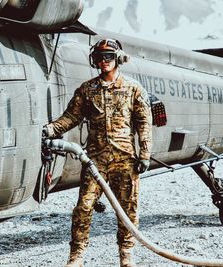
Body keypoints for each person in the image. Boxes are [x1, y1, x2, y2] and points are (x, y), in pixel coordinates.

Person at [43, 38, 152, 267]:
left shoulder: (133, 89)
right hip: (95, 160)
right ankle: (77, 256)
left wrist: (144, 154)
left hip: (124, 158)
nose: (104, 62)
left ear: (118, 58)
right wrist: (51, 129)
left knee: (127, 208)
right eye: (100, 58)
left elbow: (143, 122)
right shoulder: (87, 90)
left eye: (108, 57)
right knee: (84, 206)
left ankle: (126, 254)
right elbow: (71, 117)